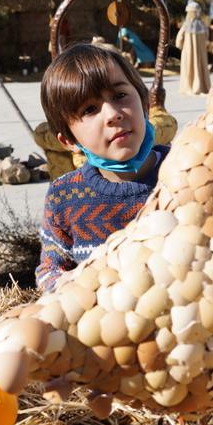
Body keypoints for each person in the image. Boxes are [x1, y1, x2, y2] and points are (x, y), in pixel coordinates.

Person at [36, 43, 169, 292]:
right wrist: (65, 285)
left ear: (144, 104)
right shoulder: (64, 198)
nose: (112, 114)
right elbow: (49, 270)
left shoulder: (184, 173)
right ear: (70, 141)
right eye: (89, 109)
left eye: (120, 96)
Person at [174, 0, 210, 96]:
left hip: (189, 51)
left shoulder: (187, 25)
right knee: (197, 67)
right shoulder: (202, 25)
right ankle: (200, 87)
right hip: (200, 52)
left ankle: (191, 87)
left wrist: (181, 47)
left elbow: (179, 39)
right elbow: (207, 37)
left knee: (190, 67)